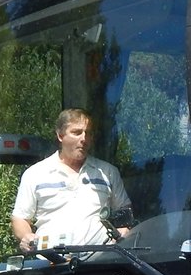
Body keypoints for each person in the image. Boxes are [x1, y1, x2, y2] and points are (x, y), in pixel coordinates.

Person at [11, 108, 131, 252]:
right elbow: (20, 218)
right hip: (52, 263)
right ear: (60, 135)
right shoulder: (35, 174)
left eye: (88, 133)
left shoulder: (108, 172)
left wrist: (123, 232)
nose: (84, 139)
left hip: (100, 261)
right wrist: (27, 236)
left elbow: (124, 210)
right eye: (77, 132)